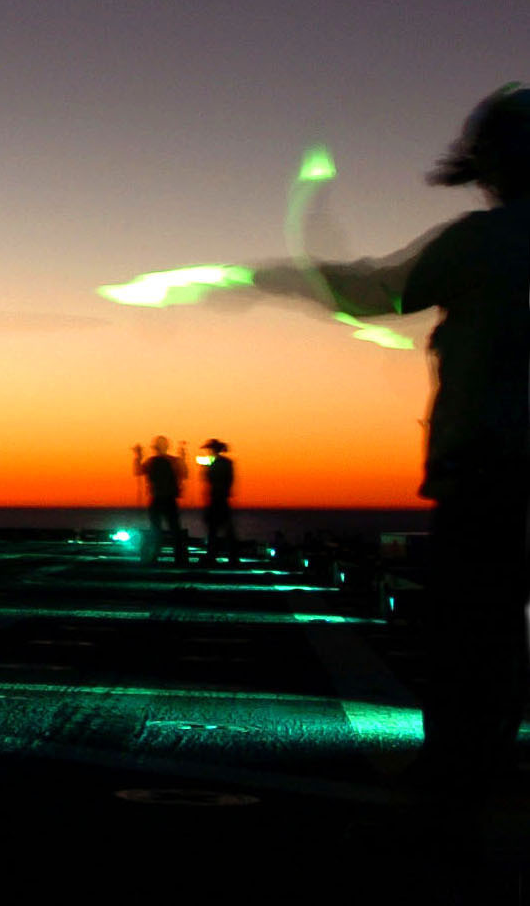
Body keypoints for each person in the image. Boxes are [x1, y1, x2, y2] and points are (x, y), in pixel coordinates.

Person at [248, 84, 530, 803]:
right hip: (494, 466)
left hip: (490, 468)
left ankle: (463, 776)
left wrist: (286, 275)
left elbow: (374, 294)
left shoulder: (483, 243)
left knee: (473, 630)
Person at [134, 435, 190, 563]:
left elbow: (138, 471)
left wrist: (138, 456)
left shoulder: (151, 461)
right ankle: (179, 557)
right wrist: (183, 458)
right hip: (169, 498)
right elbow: (185, 474)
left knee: (156, 528)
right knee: (174, 528)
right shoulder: (173, 461)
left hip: (158, 498)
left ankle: (155, 555)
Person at [198, 439, 236, 563]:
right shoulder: (226, 463)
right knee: (224, 528)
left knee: (215, 528)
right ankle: (231, 555)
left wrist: (206, 469)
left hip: (217, 497)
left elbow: (208, 479)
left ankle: (214, 554)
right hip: (221, 497)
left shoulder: (218, 464)